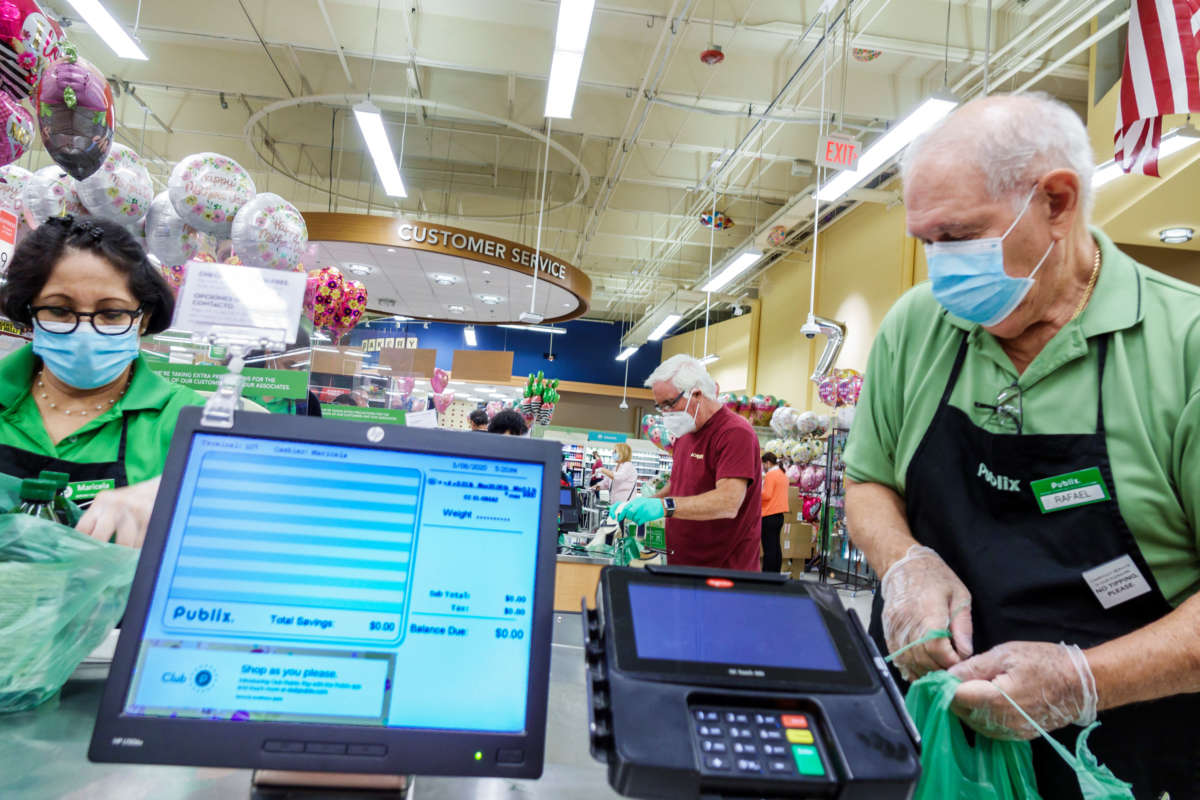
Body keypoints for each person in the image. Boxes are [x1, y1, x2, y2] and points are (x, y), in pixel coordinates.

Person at [843, 92, 1200, 798]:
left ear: (1058, 203)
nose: (940, 268)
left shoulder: (1183, 346)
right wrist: (904, 563)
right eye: (926, 243)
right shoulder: (919, 327)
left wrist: (1083, 681)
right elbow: (868, 480)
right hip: (940, 747)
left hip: (1131, 758)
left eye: (960, 236)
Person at [0, 216, 203, 547]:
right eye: (59, 310)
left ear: (143, 319)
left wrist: (178, 495)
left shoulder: (186, 417)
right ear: (29, 310)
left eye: (111, 314)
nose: (84, 330)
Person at [613, 354, 762, 570]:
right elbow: (679, 484)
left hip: (724, 572)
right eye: (659, 406)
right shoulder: (686, 433)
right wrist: (642, 503)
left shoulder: (735, 433)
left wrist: (665, 506)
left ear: (697, 394)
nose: (665, 413)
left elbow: (729, 502)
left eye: (669, 404)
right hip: (683, 564)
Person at [759, 452, 788, 573]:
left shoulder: (771, 475)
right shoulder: (782, 475)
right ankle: (775, 572)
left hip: (768, 514)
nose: (763, 468)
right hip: (779, 515)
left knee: (768, 547)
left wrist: (756, 492)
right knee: (776, 546)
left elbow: (766, 495)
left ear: (768, 463)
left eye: (763, 465)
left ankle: (767, 574)